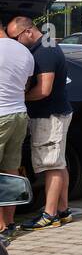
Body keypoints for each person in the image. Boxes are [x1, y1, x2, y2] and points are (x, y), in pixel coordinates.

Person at [12, 17, 73, 231]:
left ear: (28, 32)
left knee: (51, 165)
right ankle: (62, 211)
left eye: (16, 38)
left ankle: (49, 215)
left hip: (50, 116)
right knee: (58, 164)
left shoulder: (44, 52)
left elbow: (44, 90)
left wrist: (19, 97)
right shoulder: (46, 46)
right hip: (55, 113)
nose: (15, 43)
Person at [0, 18, 34, 242]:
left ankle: (1, 226)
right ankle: (10, 223)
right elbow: (26, 86)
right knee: (11, 170)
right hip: (19, 114)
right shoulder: (25, 52)